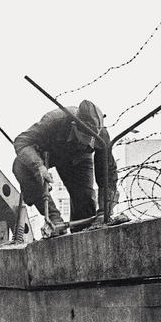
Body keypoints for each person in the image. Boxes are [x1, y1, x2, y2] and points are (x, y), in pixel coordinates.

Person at [13, 99, 122, 234]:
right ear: (74, 126)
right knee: (20, 166)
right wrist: (38, 167)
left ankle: (81, 233)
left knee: (85, 203)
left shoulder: (101, 137)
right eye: (85, 137)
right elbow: (21, 141)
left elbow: (107, 175)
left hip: (79, 160)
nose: (90, 143)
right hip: (52, 153)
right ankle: (54, 220)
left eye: (93, 138)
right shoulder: (54, 121)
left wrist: (104, 212)